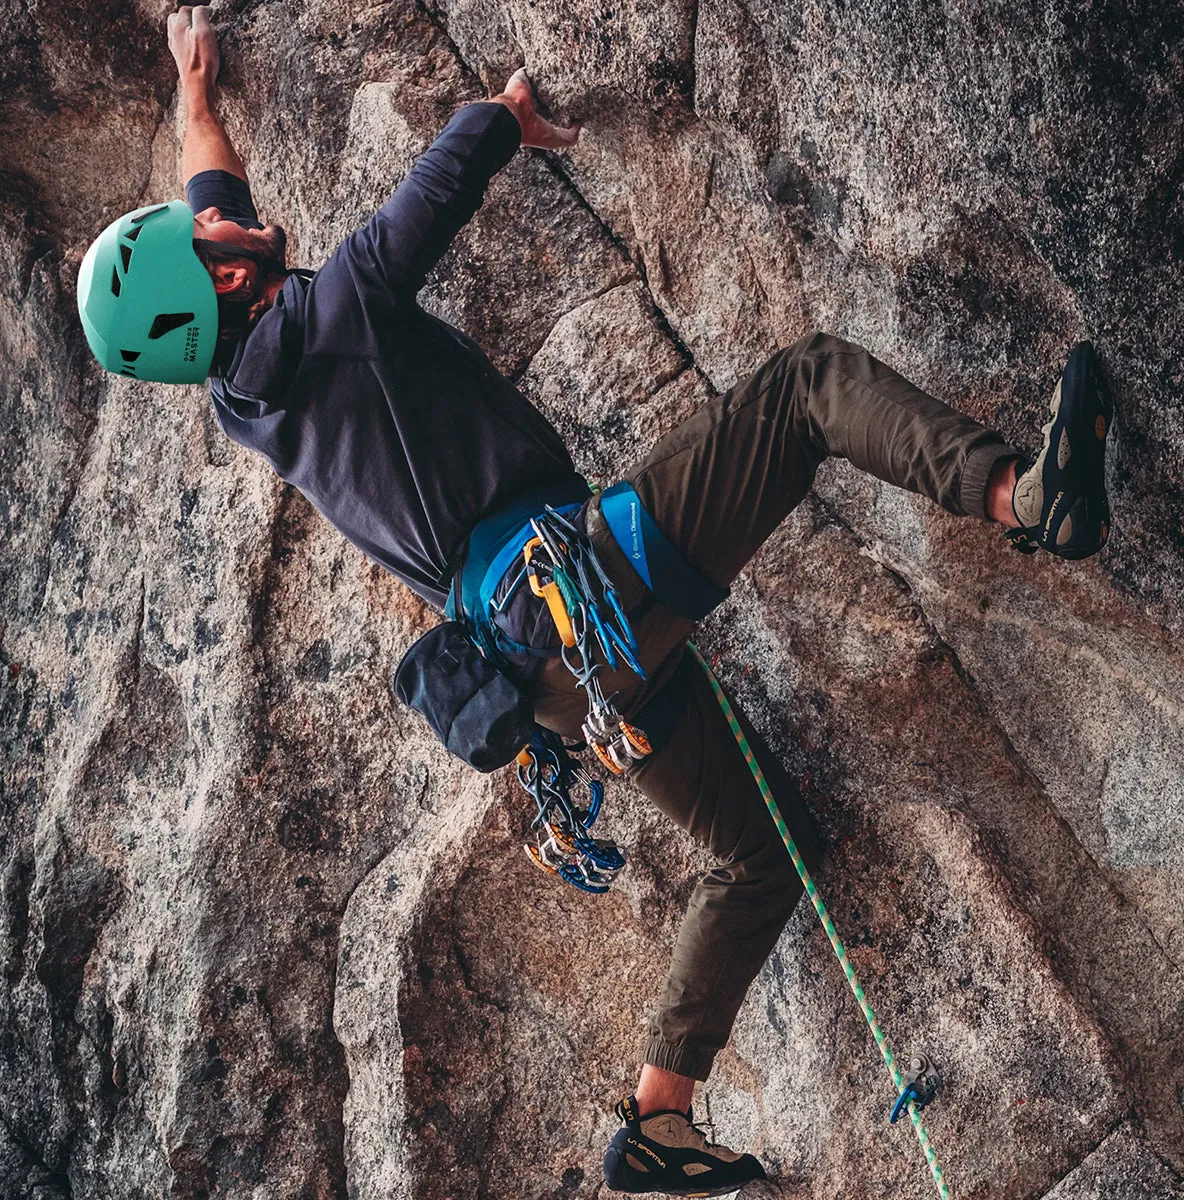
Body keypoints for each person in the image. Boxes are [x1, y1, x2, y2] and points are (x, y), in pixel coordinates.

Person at [75, 7, 1113, 1195]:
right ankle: (1024, 501)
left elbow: (208, 221)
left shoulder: (243, 392)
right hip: (584, 591)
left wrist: (196, 91)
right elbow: (417, 215)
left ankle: (658, 1118)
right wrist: (502, 118)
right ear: (222, 276)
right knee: (808, 387)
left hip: (558, 685)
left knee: (763, 854)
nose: (217, 212)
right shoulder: (330, 315)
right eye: (205, 230)